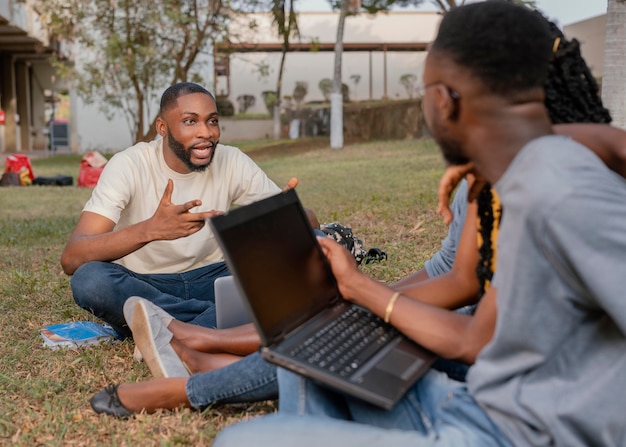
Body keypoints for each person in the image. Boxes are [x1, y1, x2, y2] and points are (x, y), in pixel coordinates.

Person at [88, 11, 626, 416]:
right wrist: (358, 293)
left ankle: (205, 368)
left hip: (511, 377)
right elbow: (454, 276)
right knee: (349, 324)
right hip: (487, 340)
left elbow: (473, 333)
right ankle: (218, 343)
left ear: (450, 100)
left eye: (427, 89)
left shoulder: (541, 185)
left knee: (346, 346)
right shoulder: (500, 177)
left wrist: (363, 293)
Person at [60, 82, 305, 338]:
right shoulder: (129, 164)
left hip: (215, 277)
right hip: (145, 283)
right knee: (90, 280)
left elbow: (309, 226)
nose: (206, 132)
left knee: (312, 246)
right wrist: (150, 230)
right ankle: (214, 323)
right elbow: (72, 258)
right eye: (190, 121)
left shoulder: (232, 160)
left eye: (212, 121)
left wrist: (288, 215)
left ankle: (174, 331)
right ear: (162, 128)